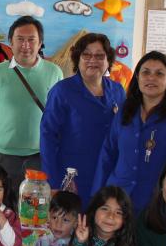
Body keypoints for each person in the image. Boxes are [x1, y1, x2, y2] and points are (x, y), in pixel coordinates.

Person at [92, 50, 166, 214]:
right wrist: (97, 197)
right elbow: (107, 155)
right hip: (117, 201)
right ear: (138, 78)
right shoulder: (125, 110)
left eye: (159, 73)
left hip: (157, 202)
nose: (151, 78)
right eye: (145, 72)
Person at [0, 15, 63, 200]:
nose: (26, 45)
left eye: (31, 40)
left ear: (40, 43)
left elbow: (61, 118)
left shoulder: (54, 73)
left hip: (40, 158)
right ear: (10, 43)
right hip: (1, 158)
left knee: (34, 216)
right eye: (20, 39)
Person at [40, 33, 125, 207]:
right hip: (72, 178)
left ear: (108, 61)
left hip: (109, 177)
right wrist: (54, 183)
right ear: (77, 59)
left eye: (100, 55)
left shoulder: (118, 91)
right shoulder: (62, 91)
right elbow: (47, 138)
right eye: (86, 54)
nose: (92, 60)